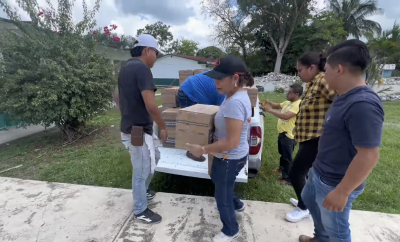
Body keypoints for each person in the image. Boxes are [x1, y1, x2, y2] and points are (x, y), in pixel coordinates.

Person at [299, 40, 384, 242]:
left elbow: (369, 155)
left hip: (335, 182)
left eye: (325, 70)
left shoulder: (363, 104)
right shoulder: (343, 95)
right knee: (310, 201)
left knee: (337, 231)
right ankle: (320, 238)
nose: (323, 75)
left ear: (339, 69)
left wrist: (342, 192)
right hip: (320, 171)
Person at [186, 56, 253, 242]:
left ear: (235, 78)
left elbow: (231, 141)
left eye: (220, 79)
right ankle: (238, 204)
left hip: (229, 157)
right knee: (220, 181)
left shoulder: (234, 103)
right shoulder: (235, 96)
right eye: (215, 78)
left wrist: (202, 149)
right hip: (234, 155)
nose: (215, 83)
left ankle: (231, 230)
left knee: (221, 195)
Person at [118, 34, 168, 224]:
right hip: (137, 132)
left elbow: (122, 99)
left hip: (136, 128)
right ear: (147, 50)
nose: (156, 57)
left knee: (156, 157)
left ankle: (144, 191)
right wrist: (162, 126)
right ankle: (140, 210)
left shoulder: (126, 69)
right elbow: (151, 106)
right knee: (140, 171)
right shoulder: (143, 69)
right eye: (156, 53)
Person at [286, 52, 336, 223]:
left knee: (295, 172)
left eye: (300, 70)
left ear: (312, 68)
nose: (298, 73)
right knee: (306, 173)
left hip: (317, 139)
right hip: (307, 138)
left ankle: (303, 207)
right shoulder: (312, 84)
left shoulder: (323, 80)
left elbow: (342, 100)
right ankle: (306, 200)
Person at [178, 71, 226, 161]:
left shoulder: (224, 78)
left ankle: (200, 145)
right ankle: (192, 151)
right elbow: (219, 113)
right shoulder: (223, 93)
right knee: (193, 123)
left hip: (193, 88)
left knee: (202, 120)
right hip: (188, 92)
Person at [263, 84, 303, 185]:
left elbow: (286, 116)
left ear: (297, 94)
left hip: (289, 136)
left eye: (289, 92)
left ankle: (287, 179)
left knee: (287, 157)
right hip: (282, 134)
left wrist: (270, 110)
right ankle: (282, 169)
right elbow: (278, 106)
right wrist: (269, 102)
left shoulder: (298, 104)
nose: (287, 94)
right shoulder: (288, 102)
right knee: (283, 154)